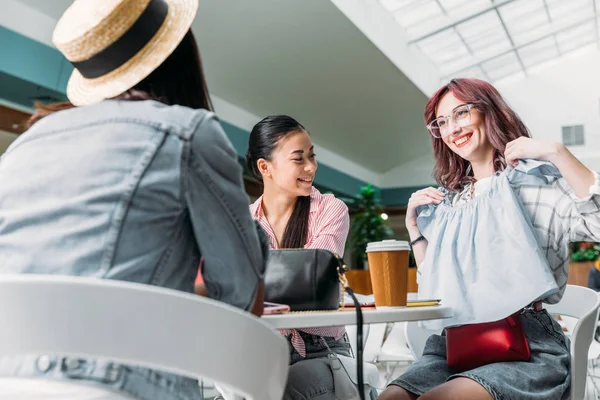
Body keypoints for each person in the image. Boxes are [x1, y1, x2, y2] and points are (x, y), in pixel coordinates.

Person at [0, 1, 267, 399]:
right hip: (119, 385)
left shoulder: (23, 147)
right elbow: (242, 301)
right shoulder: (189, 132)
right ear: (179, 51)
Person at [378, 78, 600, 400]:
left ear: (489, 112)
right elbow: (438, 290)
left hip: (526, 345)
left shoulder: (535, 184)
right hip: (453, 344)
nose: (452, 128)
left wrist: (557, 153)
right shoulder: (450, 204)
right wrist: (415, 231)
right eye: (442, 122)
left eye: (462, 113)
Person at [246, 115, 354, 400]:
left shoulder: (331, 210)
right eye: (299, 158)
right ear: (264, 167)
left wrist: (256, 284)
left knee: (281, 392)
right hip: (263, 348)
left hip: (324, 351)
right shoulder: (244, 221)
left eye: (312, 156)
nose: (311, 167)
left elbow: (311, 285)